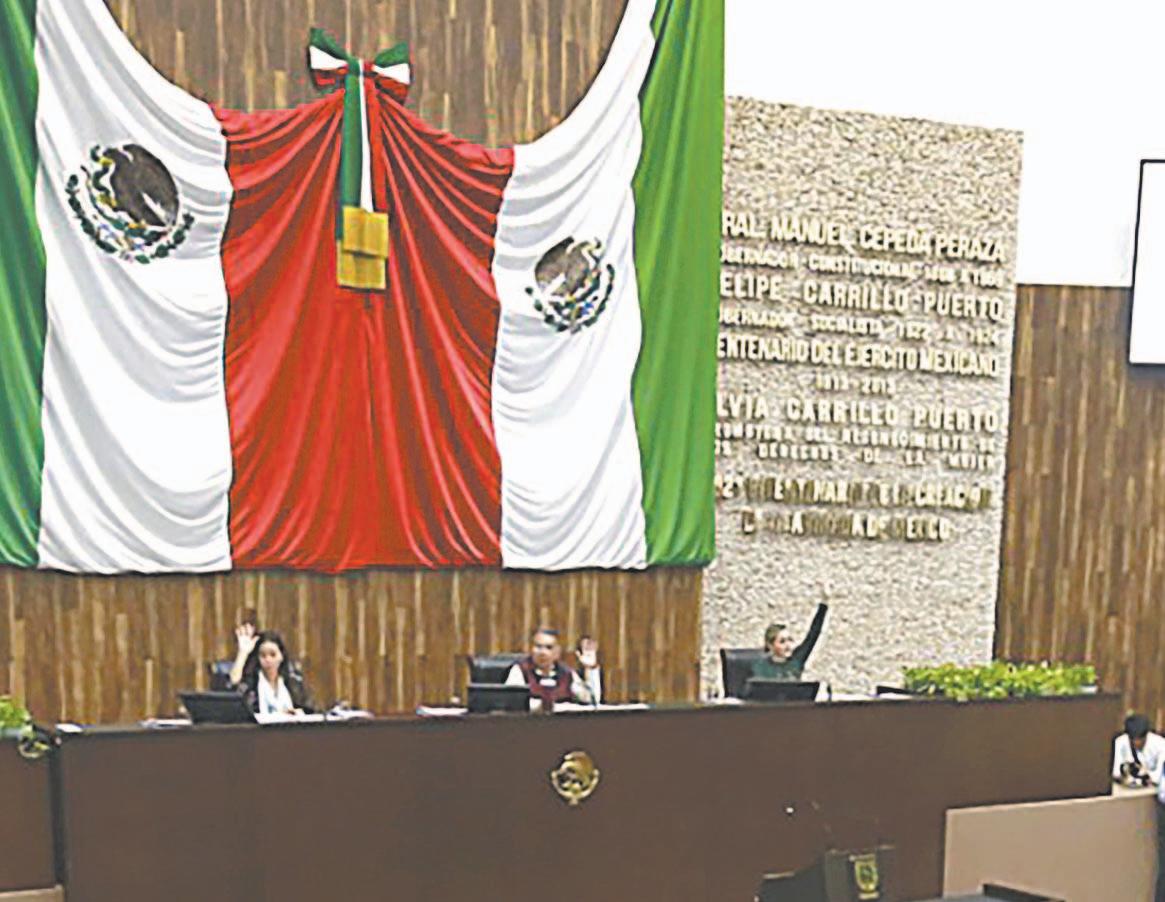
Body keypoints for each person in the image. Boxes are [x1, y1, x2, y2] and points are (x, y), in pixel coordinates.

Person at [505, 627, 601, 708]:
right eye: (538, 646)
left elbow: (592, 701)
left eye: (549, 647)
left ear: (557, 652)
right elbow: (511, 703)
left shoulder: (566, 673)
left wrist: (591, 668)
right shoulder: (520, 670)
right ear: (531, 649)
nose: (542, 652)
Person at [230, 629, 313, 715]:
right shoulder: (251, 683)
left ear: (281, 656)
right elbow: (233, 683)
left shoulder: (293, 682)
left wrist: (299, 712)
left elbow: (310, 710)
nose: (268, 660)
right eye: (263, 655)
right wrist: (243, 652)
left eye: (273, 655)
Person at [749, 603, 828, 683]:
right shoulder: (761, 667)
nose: (788, 645)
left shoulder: (796, 660)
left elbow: (813, 635)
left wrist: (822, 608)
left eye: (790, 640)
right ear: (770, 645)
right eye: (782, 642)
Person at [1114, 713, 1165, 786]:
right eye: (1133, 740)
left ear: (1146, 735)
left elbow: (1160, 776)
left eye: (1140, 740)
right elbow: (1116, 772)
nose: (1136, 743)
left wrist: (1146, 773)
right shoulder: (1120, 742)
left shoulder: (1161, 744)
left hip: (1153, 787)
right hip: (1126, 786)